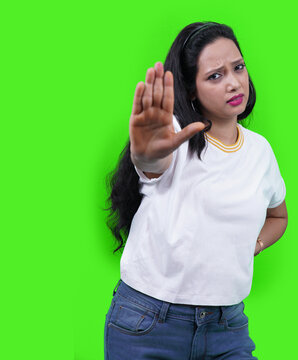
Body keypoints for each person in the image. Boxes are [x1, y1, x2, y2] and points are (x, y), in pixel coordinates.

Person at [105, 21, 288, 359]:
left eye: (238, 67)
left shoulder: (261, 151)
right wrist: (145, 154)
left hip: (227, 327)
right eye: (215, 76)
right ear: (191, 90)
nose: (234, 82)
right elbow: (151, 164)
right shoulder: (173, 135)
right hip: (149, 324)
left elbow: (278, 214)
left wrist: (256, 243)